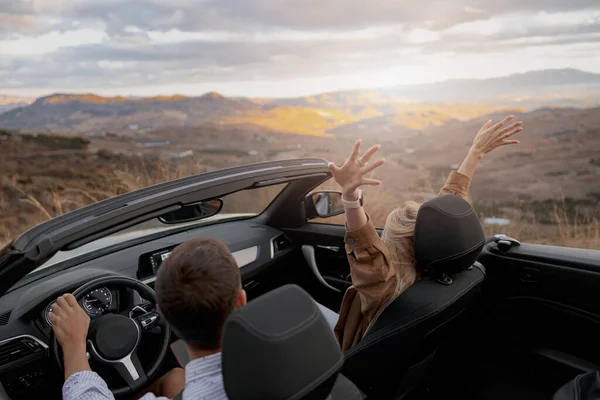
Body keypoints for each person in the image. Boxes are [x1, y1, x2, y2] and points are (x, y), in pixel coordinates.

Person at [329, 115, 523, 351]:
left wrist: (350, 198)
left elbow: (368, 250)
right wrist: (475, 153)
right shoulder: (458, 280)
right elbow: (450, 205)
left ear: (395, 246)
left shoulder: (385, 293)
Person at [51, 237, 247, 400]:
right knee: (175, 379)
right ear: (241, 301)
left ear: (161, 313)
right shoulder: (273, 358)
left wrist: (74, 343)